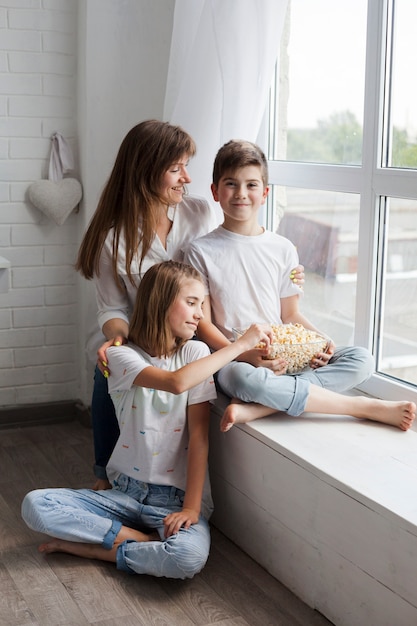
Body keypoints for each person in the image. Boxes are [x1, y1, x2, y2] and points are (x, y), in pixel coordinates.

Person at [75, 119, 307, 488]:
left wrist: (287, 274)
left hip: (199, 335)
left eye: (186, 166)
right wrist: (117, 339)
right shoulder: (112, 240)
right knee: (105, 369)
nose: (186, 177)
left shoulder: (198, 212)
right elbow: (112, 307)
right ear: (146, 172)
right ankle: (105, 472)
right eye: (175, 168)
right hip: (145, 340)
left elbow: (230, 253)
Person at [21, 261, 275, 579]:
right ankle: (138, 540)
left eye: (202, 305)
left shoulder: (196, 353)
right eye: (192, 303)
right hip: (125, 491)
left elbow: (199, 437)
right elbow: (175, 383)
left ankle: (98, 548)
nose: (200, 315)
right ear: (161, 302)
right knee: (36, 504)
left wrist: (192, 509)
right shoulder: (120, 356)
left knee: (187, 558)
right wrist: (240, 345)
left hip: (175, 500)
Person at [183, 140, 416, 433]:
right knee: (243, 380)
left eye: (251, 185)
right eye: (231, 184)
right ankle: (362, 407)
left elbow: (290, 314)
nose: (242, 193)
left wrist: (322, 341)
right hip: (235, 358)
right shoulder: (200, 251)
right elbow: (203, 325)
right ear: (215, 191)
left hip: (285, 354)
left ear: (265, 193)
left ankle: (260, 408)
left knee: (362, 360)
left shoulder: (282, 248)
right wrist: (242, 353)